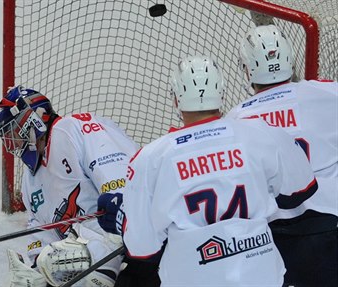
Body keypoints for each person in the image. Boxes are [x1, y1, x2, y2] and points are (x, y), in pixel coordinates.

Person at [97, 55, 319, 286]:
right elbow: (298, 191)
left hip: (193, 277)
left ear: (175, 99)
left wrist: (122, 216)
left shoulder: (150, 157)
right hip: (261, 273)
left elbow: (143, 248)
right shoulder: (259, 131)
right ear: (222, 92)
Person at [226, 24, 338, 287]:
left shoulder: (236, 118)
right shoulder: (328, 92)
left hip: (277, 238)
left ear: (247, 69)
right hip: (331, 223)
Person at [0, 86, 139, 287]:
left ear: (33, 121)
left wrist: (114, 239)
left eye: (13, 132)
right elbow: (41, 233)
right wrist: (36, 271)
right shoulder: (30, 181)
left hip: (127, 249)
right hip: (88, 256)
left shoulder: (74, 129)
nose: (12, 142)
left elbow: (125, 190)